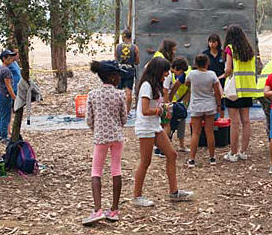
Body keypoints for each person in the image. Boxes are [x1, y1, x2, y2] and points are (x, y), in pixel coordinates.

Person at [132, 57, 193, 207]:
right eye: (165, 73)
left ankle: (174, 192)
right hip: (145, 127)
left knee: (172, 154)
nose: (166, 76)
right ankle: (137, 196)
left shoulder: (156, 86)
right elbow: (145, 110)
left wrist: (165, 112)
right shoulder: (146, 86)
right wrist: (160, 110)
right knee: (145, 162)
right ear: (157, 71)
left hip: (155, 125)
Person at [83, 61, 129, 225]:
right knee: (116, 169)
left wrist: (96, 129)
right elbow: (124, 119)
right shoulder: (120, 94)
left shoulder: (93, 95)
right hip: (117, 137)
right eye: (118, 76)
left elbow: (89, 119)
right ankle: (114, 210)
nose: (120, 78)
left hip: (100, 137)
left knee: (96, 171)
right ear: (112, 77)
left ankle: (98, 210)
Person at [222, 24, 262, 162]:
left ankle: (233, 153)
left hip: (234, 90)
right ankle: (243, 152)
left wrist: (222, 76)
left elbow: (228, 69)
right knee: (246, 121)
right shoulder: (249, 50)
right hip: (247, 89)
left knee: (234, 122)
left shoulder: (230, 49)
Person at [186, 54, 223, 167]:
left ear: (195, 64)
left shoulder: (192, 74)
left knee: (195, 133)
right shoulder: (212, 74)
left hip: (196, 106)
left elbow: (187, 84)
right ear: (207, 63)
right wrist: (219, 105)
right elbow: (217, 91)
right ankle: (212, 158)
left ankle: (192, 159)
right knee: (209, 132)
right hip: (209, 106)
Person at [164, 57, 191, 153]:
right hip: (171, 102)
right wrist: (167, 104)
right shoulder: (169, 74)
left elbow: (187, 90)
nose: (180, 73)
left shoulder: (184, 74)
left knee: (181, 120)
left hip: (177, 102)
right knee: (168, 124)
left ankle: (181, 144)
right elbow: (170, 91)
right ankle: (164, 145)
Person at [115, 29, 140, 114]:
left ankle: (116, 110)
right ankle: (127, 112)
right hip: (129, 70)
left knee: (117, 91)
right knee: (128, 92)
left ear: (123, 36)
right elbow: (137, 61)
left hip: (120, 70)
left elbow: (116, 59)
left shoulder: (118, 46)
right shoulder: (135, 47)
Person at [0, 49, 18, 144]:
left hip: (1, 94)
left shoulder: (1, 68)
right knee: (6, 116)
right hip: (5, 95)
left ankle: (2, 134)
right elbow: (8, 86)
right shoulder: (6, 70)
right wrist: (14, 97)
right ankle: (4, 137)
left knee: (2, 115)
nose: (11, 59)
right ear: (4, 59)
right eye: (9, 57)